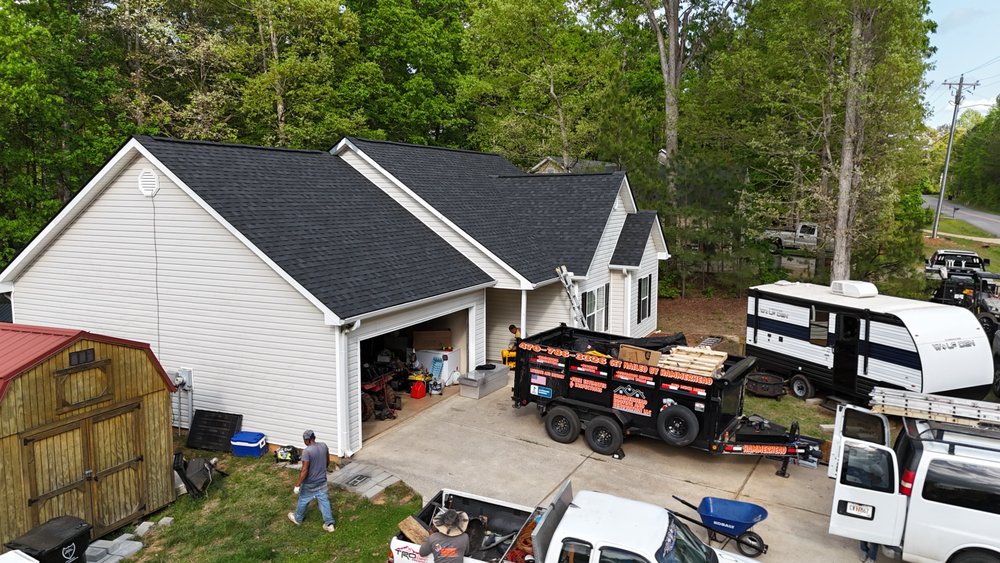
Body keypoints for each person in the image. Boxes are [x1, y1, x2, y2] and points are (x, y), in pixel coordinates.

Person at [288, 430, 336, 532]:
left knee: (303, 499)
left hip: (310, 483)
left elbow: (304, 470)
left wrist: (297, 485)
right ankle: (329, 524)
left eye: (304, 440)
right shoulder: (323, 446)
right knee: (324, 501)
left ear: (307, 440)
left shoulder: (307, 451)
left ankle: (298, 518)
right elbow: (327, 461)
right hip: (322, 481)